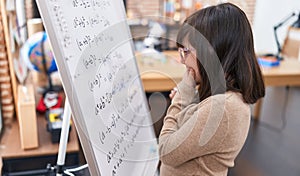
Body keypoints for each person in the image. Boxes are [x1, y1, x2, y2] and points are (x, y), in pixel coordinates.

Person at [159, 3, 265, 176]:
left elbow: (166, 151)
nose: (182, 60)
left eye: (186, 51)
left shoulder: (223, 109)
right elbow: (191, 127)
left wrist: (179, 101)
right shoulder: (223, 99)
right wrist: (189, 98)